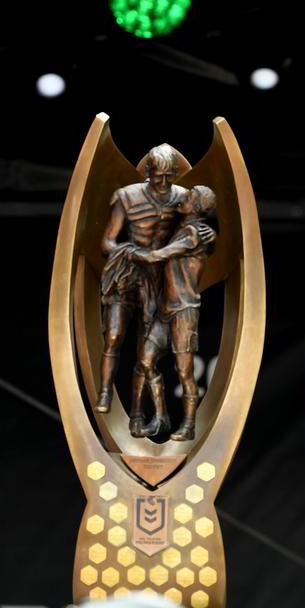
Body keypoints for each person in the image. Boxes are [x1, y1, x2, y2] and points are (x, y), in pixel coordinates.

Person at [97, 144, 189, 437]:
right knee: (113, 334)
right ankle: (104, 391)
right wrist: (136, 254)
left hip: (159, 280)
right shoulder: (127, 197)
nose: (162, 183)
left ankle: (137, 414)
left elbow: (196, 231)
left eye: (168, 177)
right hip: (127, 272)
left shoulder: (183, 199)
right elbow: (107, 243)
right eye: (157, 176)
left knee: (145, 352)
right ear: (147, 172)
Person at [132, 185, 217, 441]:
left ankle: (189, 424)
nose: (185, 198)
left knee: (184, 371)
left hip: (184, 311)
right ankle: (161, 416)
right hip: (166, 309)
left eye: (190, 197)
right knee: (146, 360)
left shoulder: (196, 233)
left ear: (198, 207)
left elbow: (160, 255)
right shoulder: (185, 229)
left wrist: (133, 252)